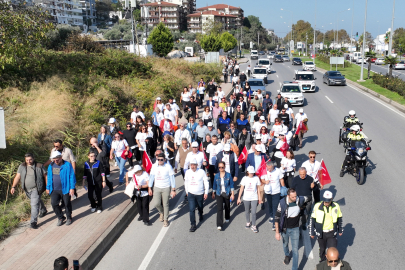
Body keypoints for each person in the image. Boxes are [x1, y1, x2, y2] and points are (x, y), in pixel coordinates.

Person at [275, 188, 310, 270]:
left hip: (295, 228)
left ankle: (294, 268)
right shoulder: (282, 203)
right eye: (293, 197)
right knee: (285, 244)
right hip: (285, 228)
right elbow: (277, 217)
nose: (295, 198)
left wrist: (305, 208)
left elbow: (308, 197)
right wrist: (277, 232)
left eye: (296, 196)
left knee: (295, 250)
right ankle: (287, 255)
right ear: (288, 196)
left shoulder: (299, 199)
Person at [11, 153, 47, 229]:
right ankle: (43, 209)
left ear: (33, 158)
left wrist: (47, 187)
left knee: (34, 205)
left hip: (36, 189)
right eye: (27, 160)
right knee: (36, 201)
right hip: (27, 189)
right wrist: (13, 186)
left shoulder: (39, 166)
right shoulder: (22, 166)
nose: (29, 161)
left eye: (30, 159)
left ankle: (33, 222)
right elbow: (18, 176)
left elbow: (46, 176)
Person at [310, 190, 343, 262]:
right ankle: (322, 261)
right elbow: (312, 219)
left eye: (328, 201)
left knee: (332, 249)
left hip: (331, 232)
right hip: (321, 233)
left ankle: (332, 263)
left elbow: (339, 218)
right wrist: (312, 232)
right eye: (325, 201)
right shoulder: (317, 206)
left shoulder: (336, 206)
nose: (326, 203)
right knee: (322, 249)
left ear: (332, 198)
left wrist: (340, 230)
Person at [46, 151, 76, 226]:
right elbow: (49, 177)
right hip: (54, 189)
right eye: (54, 159)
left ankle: (69, 217)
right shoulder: (51, 165)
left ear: (61, 157)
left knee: (67, 204)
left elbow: (72, 176)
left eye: (57, 159)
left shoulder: (67, 165)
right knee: (54, 204)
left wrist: (72, 188)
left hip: (65, 188)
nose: (56, 161)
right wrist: (48, 187)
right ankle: (61, 217)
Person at [148, 153, 176, 227]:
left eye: (161, 159)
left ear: (164, 160)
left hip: (166, 187)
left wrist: (173, 189)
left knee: (165, 204)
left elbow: (172, 178)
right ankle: (161, 212)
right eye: (158, 159)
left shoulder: (168, 167)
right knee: (156, 203)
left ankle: (166, 219)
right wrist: (149, 188)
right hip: (157, 187)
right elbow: (151, 177)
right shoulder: (154, 166)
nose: (160, 161)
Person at [184, 159, 209, 232]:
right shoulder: (188, 172)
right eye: (191, 165)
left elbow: (206, 182)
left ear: (197, 165)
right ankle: (193, 224)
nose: (192, 166)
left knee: (200, 206)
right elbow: (186, 182)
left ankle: (201, 214)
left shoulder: (201, 172)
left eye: (194, 165)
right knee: (191, 209)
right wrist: (187, 191)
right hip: (191, 194)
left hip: (200, 193)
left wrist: (206, 192)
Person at [237, 166, 262, 233]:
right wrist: (239, 198)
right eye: (250, 173)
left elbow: (258, 188)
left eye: (253, 172)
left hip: (254, 197)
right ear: (247, 172)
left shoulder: (256, 178)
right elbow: (241, 188)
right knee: (247, 211)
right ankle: (248, 222)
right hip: (246, 198)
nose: (252, 174)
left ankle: (253, 225)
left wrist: (259, 197)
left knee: (253, 212)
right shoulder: (244, 178)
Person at [262, 161, 285, 230]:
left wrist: (283, 188)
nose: (269, 170)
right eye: (268, 168)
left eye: (270, 168)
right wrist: (265, 182)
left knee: (275, 207)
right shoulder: (264, 170)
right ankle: (271, 216)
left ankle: (275, 224)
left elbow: (281, 179)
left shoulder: (278, 171)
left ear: (273, 166)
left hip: (276, 192)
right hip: (268, 192)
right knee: (270, 205)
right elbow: (262, 179)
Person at [212, 161, 234, 231]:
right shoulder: (216, 176)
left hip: (227, 193)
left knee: (227, 206)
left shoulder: (228, 175)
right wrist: (213, 192)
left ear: (225, 167)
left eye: (222, 167)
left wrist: (232, 194)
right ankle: (219, 224)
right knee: (219, 209)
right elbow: (214, 185)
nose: (221, 168)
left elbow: (232, 185)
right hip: (219, 193)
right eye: (219, 167)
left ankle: (227, 217)